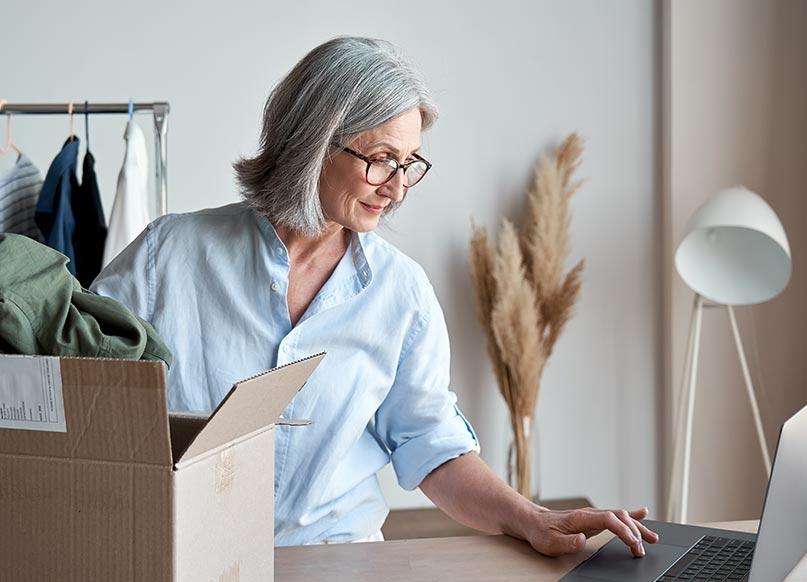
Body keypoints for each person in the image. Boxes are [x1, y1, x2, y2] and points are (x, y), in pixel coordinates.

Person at [91, 36, 658, 556]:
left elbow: (431, 444)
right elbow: (83, 398)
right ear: (312, 143)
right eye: (381, 158)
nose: (396, 186)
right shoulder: (170, 255)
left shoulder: (401, 293)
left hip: (341, 561)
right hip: (184, 557)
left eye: (409, 164)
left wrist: (533, 518)